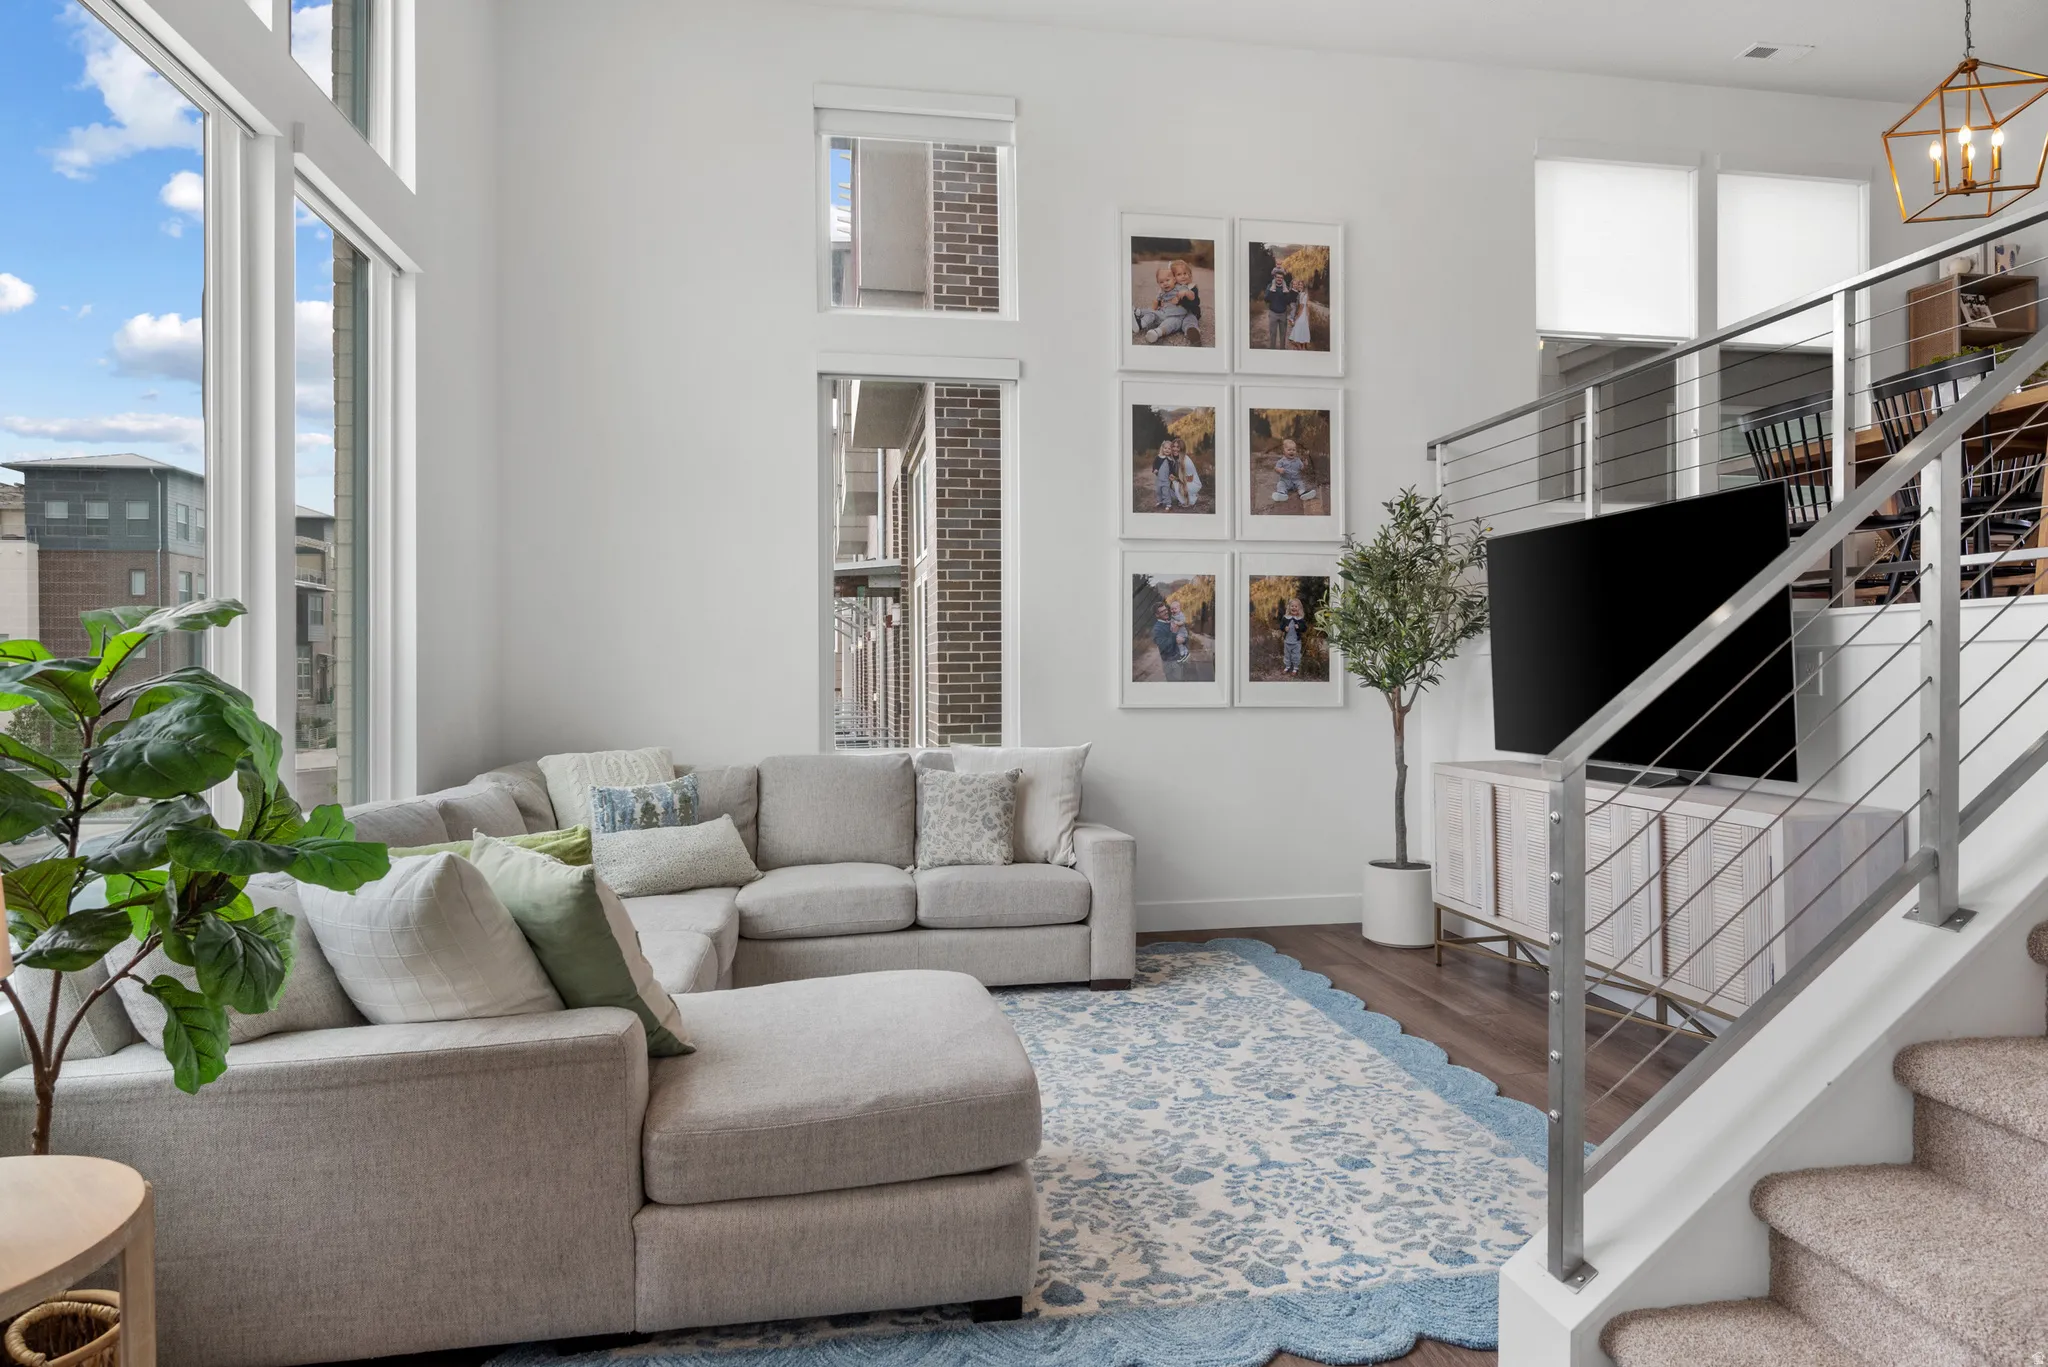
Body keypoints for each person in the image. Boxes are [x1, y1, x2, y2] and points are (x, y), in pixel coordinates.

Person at [1132, 260, 1203, 345]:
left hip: (1190, 312)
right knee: (1154, 313)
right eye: (1179, 274)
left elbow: (1194, 300)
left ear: (1189, 274)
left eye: (1185, 274)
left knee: (1187, 321)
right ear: (1174, 277)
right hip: (1168, 312)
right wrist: (1159, 304)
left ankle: (1192, 333)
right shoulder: (1170, 288)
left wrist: (1183, 297)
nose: (1183, 277)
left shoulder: (1188, 287)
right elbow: (1158, 302)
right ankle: (1139, 317)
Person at [1270, 438, 1318, 503]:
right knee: (1280, 484)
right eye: (1289, 450)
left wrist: (1305, 465)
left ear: (1296, 451)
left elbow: (1302, 469)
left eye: (1294, 450)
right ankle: (1281, 494)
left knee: (1301, 483)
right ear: (1284, 452)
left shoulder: (1298, 460)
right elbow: (1276, 468)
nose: (1291, 451)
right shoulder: (1281, 461)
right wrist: (1279, 470)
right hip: (1285, 480)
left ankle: (1303, 493)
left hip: (1296, 480)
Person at [1150, 601, 1188, 681]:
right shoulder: (1157, 629)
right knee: (1175, 686)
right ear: (1157, 615)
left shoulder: (1172, 621)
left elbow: (1184, 635)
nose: (1166, 612)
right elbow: (1165, 648)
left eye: (1166, 609)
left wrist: (1184, 640)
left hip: (1180, 659)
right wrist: (1174, 634)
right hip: (1171, 663)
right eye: (1162, 611)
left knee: (1184, 683)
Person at [1263, 265, 1295, 349]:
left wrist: (1287, 293)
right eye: (1277, 277)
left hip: (1283, 314)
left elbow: (1288, 301)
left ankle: (1282, 350)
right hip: (1273, 313)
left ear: (1283, 279)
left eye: (1281, 278)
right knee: (1273, 334)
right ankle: (1272, 350)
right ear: (1275, 277)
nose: (1279, 279)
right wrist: (1271, 291)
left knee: (1283, 335)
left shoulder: (1285, 288)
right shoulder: (1270, 286)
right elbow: (1266, 299)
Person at [1279, 597, 1309, 676]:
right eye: (1292, 606)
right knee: (1287, 654)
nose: (1294, 608)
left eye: (1296, 606)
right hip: (1287, 641)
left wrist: (1299, 627)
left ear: (1299, 608)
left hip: (1296, 642)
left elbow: (1304, 628)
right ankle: (1287, 666)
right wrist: (1284, 628)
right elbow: (1281, 627)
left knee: (1296, 655)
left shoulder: (1300, 619)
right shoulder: (1285, 618)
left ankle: (1295, 667)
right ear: (1289, 607)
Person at [1151, 436, 1182, 511]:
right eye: (1165, 448)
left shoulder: (1170, 460)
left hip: (1166, 480)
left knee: (1166, 491)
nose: (1167, 450)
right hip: (1159, 479)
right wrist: (1154, 469)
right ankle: (1160, 501)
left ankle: (1168, 503)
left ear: (1171, 450)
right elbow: (1154, 464)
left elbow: (1172, 469)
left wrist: (1172, 474)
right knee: (1158, 491)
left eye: (1169, 449)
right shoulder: (1158, 457)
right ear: (1162, 449)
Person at [1287, 274, 1313, 349]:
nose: (1300, 286)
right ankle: (1303, 346)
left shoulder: (1302, 294)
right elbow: (1307, 306)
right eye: (1299, 285)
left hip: (1301, 315)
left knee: (1297, 329)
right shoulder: (1304, 294)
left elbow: (1301, 307)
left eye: (1301, 285)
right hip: (1304, 315)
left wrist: (1297, 317)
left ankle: (1300, 346)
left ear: (1304, 286)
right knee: (1303, 329)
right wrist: (1308, 316)